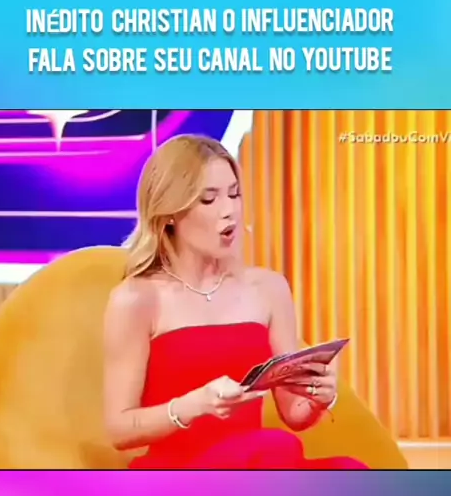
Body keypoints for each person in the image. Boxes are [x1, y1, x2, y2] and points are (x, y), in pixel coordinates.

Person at [103, 135, 368, 469]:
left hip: (260, 465)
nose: (229, 211)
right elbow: (119, 429)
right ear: (170, 213)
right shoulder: (136, 299)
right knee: (274, 447)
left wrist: (319, 396)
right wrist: (194, 405)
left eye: (234, 194)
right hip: (181, 475)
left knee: (349, 471)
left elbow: (294, 413)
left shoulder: (269, 288)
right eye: (209, 199)